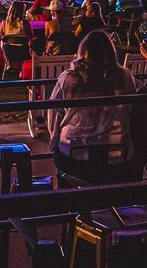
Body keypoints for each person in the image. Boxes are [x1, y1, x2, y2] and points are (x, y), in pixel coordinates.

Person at [43, 29, 138, 183]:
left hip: (74, 153)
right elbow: (132, 108)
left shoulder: (69, 78)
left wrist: (54, 140)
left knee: (61, 162)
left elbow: (54, 112)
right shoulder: (123, 77)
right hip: (117, 153)